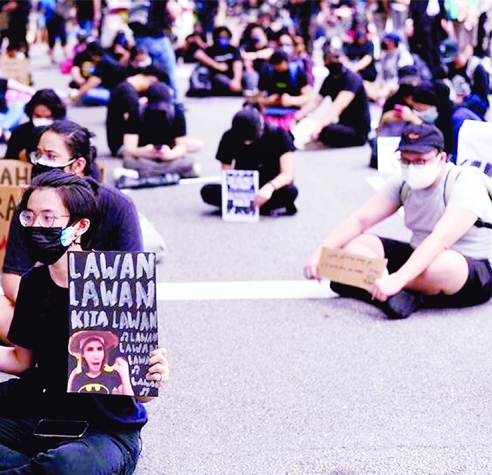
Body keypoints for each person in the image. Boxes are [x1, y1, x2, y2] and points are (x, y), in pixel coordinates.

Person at [0, 170, 169, 475]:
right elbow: (21, 361)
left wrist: (154, 373)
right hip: (45, 420)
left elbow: (140, 392)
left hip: (107, 433)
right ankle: (42, 473)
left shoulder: (115, 282)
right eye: (30, 216)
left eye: (49, 218)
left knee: (64, 465)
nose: (37, 226)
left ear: (79, 226)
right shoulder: (33, 284)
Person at [303, 124, 492, 319]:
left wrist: (398, 279)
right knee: (354, 244)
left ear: (441, 158)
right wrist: (320, 252)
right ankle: (392, 290)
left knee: (443, 265)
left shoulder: (464, 182)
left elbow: (440, 240)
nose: (412, 167)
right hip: (418, 251)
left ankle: (378, 286)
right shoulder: (403, 181)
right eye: (405, 160)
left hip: (466, 266)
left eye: (420, 161)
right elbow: (360, 219)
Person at [0, 120, 143, 345]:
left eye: (50, 156)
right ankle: (38, 350)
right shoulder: (31, 204)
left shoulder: (119, 205)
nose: (40, 162)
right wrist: (41, 310)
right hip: (46, 306)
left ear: (77, 165)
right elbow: (12, 275)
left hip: (100, 313)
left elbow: (134, 282)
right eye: (37, 154)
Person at [200, 109, 298, 216]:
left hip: (271, 183)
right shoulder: (229, 137)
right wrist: (234, 191)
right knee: (208, 191)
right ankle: (256, 206)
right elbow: (226, 172)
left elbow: (288, 174)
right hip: (243, 184)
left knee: (290, 192)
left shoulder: (278, 134)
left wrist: (269, 188)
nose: (247, 143)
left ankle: (253, 205)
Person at [292, 43, 371, 148]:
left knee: (325, 130)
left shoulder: (352, 79)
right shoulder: (330, 79)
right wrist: (297, 117)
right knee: (307, 123)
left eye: (337, 58)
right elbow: (316, 101)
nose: (334, 61)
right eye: (330, 59)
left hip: (358, 131)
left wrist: (320, 126)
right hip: (342, 124)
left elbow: (339, 105)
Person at [121, 82, 196, 181]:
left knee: (189, 160)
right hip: (145, 157)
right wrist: (144, 152)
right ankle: (167, 172)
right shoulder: (136, 112)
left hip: (168, 156)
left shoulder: (177, 113)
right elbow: (130, 148)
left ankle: (149, 173)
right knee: (128, 161)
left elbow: (181, 146)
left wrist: (169, 155)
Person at [107, 65, 168, 156]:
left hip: (117, 141)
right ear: (152, 80)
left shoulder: (124, 88)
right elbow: (133, 122)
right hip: (123, 143)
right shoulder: (128, 94)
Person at [129, 0, 183, 101]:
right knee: (169, 71)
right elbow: (174, 12)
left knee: (146, 71)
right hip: (156, 36)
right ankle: (176, 102)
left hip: (139, 37)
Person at [3, 89, 66, 161]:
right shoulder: (19, 133)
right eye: (38, 116)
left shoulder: (66, 134)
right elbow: (8, 162)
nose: (42, 120)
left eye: (47, 117)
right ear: (31, 113)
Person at [256, 51, 312, 131]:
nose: (278, 67)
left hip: (292, 110)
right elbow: (259, 98)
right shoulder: (267, 72)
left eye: (280, 64)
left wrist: (292, 100)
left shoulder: (298, 72)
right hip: (271, 110)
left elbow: (308, 97)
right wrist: (269, 101)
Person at [67, 330, 134, 395]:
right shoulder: (75, 375)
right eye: (90, 350)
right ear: (83, 354)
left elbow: (129, 400)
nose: (96, 356)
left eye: (99, 349)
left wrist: (124, 374)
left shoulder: (112, 375)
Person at [188, 26, 243, 97]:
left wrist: (236, 80)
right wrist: (217, 65)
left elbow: (237, 63)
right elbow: (198, 54)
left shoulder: (233, 49)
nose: (223, 39)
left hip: (231, 75)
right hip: (215, 76)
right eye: (221, 37)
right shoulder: (211, 50)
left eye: (225, 37)